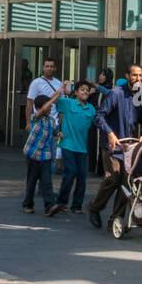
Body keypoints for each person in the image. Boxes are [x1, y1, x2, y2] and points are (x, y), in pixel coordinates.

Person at [87, 64, 142, 229]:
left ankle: (115, 221)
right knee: (113, 178)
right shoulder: (116, 93)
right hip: (112, 145)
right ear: (127, 75)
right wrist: (110, 134)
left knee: (126, 183)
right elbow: (99, 116)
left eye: (141, 75)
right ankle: (94, 207)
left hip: (130, 146)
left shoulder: (140, 94)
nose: (138, 79)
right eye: (135, 75)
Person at [50, 80, 97, 215]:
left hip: (82, 148)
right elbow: (52, 100)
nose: (85, 92)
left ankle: (77, 205)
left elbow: (99, 122)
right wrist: (61, 90)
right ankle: (61, 202)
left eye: (87, 90)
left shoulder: (91, 109)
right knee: (70, 172)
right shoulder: (68, 103)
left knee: (82, 176)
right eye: (82, 89)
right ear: (75, 92)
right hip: (68, 145)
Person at [22, 93, 58, 216]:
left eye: (50, 107)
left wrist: (59, 134)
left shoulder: (52, 121)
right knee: (32, 181)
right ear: (39, 108)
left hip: (45, 155)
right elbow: (42, 109)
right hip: (33, 154)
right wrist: (56, 95)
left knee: (47, 181)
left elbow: (55, 131)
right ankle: (28, 204)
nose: (50, 108)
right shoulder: (35, 118)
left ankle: (49, 206)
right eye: (48, 107)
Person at [27, 58, 64, 173]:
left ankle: (46, 182)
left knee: (51, 154)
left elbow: (60, 104)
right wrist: (28, 122)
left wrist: (60, 122)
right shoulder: (36, 83)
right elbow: (29, 103)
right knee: (37, 153)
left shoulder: (58, 83)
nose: (49, 68)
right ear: (43, 68)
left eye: (51, 66)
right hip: (39, 123)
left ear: (55, 68)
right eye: (47, 66)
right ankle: (38, 180)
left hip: (53, 123)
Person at [88, 69, 113, 177]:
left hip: (104, 121)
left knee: (101, 145)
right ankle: (93, 168)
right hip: (94, 120)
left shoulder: (110, 90)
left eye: (103, 75)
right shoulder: (95, 90)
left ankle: (101, 170)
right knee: (93, 143)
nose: (100, 76)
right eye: (101, 74)